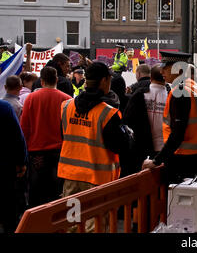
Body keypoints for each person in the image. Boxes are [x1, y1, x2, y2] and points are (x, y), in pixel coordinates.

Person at [141, 51, 197, 185]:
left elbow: (177, 134)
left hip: (181, 161)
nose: (161, 71)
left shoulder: (180, 93)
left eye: (166, 68)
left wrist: (156, 161)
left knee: (179, 203)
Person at [58, 62, 129, 195]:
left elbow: (63, 136)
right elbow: (119, 146)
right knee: (98, 216)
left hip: (71, 176)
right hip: (97, 179)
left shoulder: (66, 106)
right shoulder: (108, 113)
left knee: (75, 216)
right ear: (104, 80)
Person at [20, 66, 72, 208]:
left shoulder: (31, 98)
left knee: (36, 192)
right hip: (59, 152)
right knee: (56, 191)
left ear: (41, 81)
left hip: (37, 153)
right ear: (56, 79)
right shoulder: (67, 100)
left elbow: (24, 127)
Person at [122, 64, 167, 176]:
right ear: (164, 78)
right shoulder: (170, 95)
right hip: (164, 149)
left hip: (140, 148)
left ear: (151, 78)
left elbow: (127, 118)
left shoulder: (139, 94)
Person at [0, 100, 27, 233]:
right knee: (8, 209)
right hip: (4, 167)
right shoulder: (4, 107)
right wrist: (21, 162)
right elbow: (17, 137)